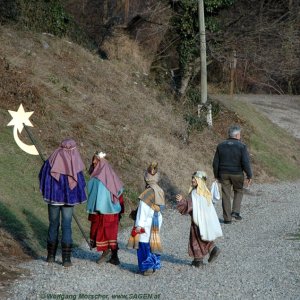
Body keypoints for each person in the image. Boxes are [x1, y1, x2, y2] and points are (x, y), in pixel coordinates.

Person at [39, 139, 87, 267]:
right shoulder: (74, 161)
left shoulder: (52, 159)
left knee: (53, 224)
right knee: (66, 225)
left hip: (53, 198)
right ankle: (66, 259)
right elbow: (81, 182)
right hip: (68, 201)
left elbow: (42, 175)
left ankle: (50, 256)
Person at [176, 171, 222, 267]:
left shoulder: (195, 194)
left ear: (200, 181)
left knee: (196, 239)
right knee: (202, 236)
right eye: (192, 178)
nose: (192, 180)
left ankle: (208, 253)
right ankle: (201, 257)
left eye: (195, 179)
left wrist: (181, 201)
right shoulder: (205, 192)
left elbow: (189, 206)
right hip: (205, 220)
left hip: (197, 221)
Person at [87, 151, 124, 265]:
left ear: (102, 162)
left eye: (96, 160)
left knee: (107, 232)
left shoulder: (104, 176)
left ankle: (109, 253)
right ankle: (113, 257)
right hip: (102, 211)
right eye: (93, 159)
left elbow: (119, 193)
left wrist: (120, 209)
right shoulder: (98, 175)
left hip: (107, 212)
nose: (93, 162)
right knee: (104, 232)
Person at [213, 125, 253, 224]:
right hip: (237, 174)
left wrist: (216, 175)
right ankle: (235, 212)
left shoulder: (220, 145)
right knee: (238, 190)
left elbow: (215, 162)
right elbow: (245, 162)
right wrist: (249, 175)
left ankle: (227, 219)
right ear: (237, 135)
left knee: (226, 195)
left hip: (223, 174)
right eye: (240, 134)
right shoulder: (242, 146)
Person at [132, 162, 165, 276]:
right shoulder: (160, 191)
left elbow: (142, 211)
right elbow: (161, 209)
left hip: (146, 224)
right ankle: (154, 265)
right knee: (153, 243)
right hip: (156, 222)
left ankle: (147, 267)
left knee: (143, 245)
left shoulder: (146, 193)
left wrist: (138, 226)